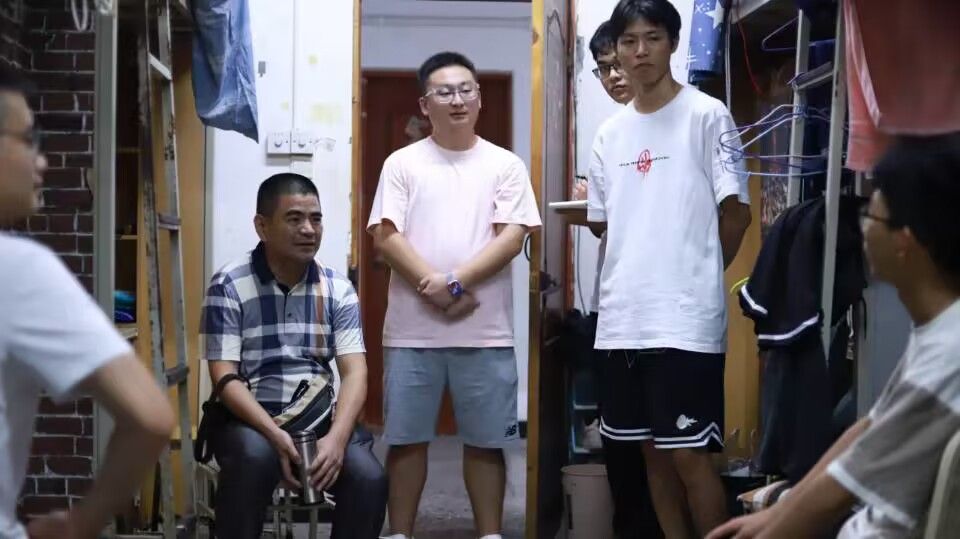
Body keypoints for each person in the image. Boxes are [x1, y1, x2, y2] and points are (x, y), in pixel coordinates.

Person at [708, 134, 960, 539]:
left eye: (871, 216)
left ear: (904, 241)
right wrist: (773, 515)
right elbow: (867, 432)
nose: (862, 228)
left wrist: (774, 526)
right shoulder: (938, 330)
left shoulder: (948, 353)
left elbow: (842, 488)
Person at [586, 0, 753, 537]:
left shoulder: (707, 115)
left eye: (653, 38)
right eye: (628, 41)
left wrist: (698, 275)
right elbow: (605, 224)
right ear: (617, 50)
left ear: (673, 44)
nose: (640, 52)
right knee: (651, 455)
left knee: (690, 457)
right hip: (621, 323)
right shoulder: (609, 134)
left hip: (684, 322)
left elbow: (737, 214)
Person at [367, 51, 541, 539]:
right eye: (445, 92)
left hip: (485, 332)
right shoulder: (402, 163)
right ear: (426, 105)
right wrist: (436, 288)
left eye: (466, 90)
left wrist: (456, 282)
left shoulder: (505, 164)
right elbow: (386, 235)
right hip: (411, 334)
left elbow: (512, 237)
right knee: (406, 440)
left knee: (486, 442)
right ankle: (399, 533)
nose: (458, 99)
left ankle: (490, 534)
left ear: (480, 99)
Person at [0, 66, 175, 538]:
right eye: (28, 140)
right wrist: (82, 523)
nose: (42, 162)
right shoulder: (16, 269)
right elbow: (151, 417)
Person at [200, 173, 387, 538]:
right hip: (250, 421)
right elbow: (223, 376)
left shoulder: (337, 288)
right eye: (294, 218)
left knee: (369, 479)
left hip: (318, 422)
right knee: (254, 459)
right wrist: (274, 436)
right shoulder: (229, 284)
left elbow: (355, 372)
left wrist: (336, 440)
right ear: (262, 226)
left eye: (316, 219)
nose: (308, 230)